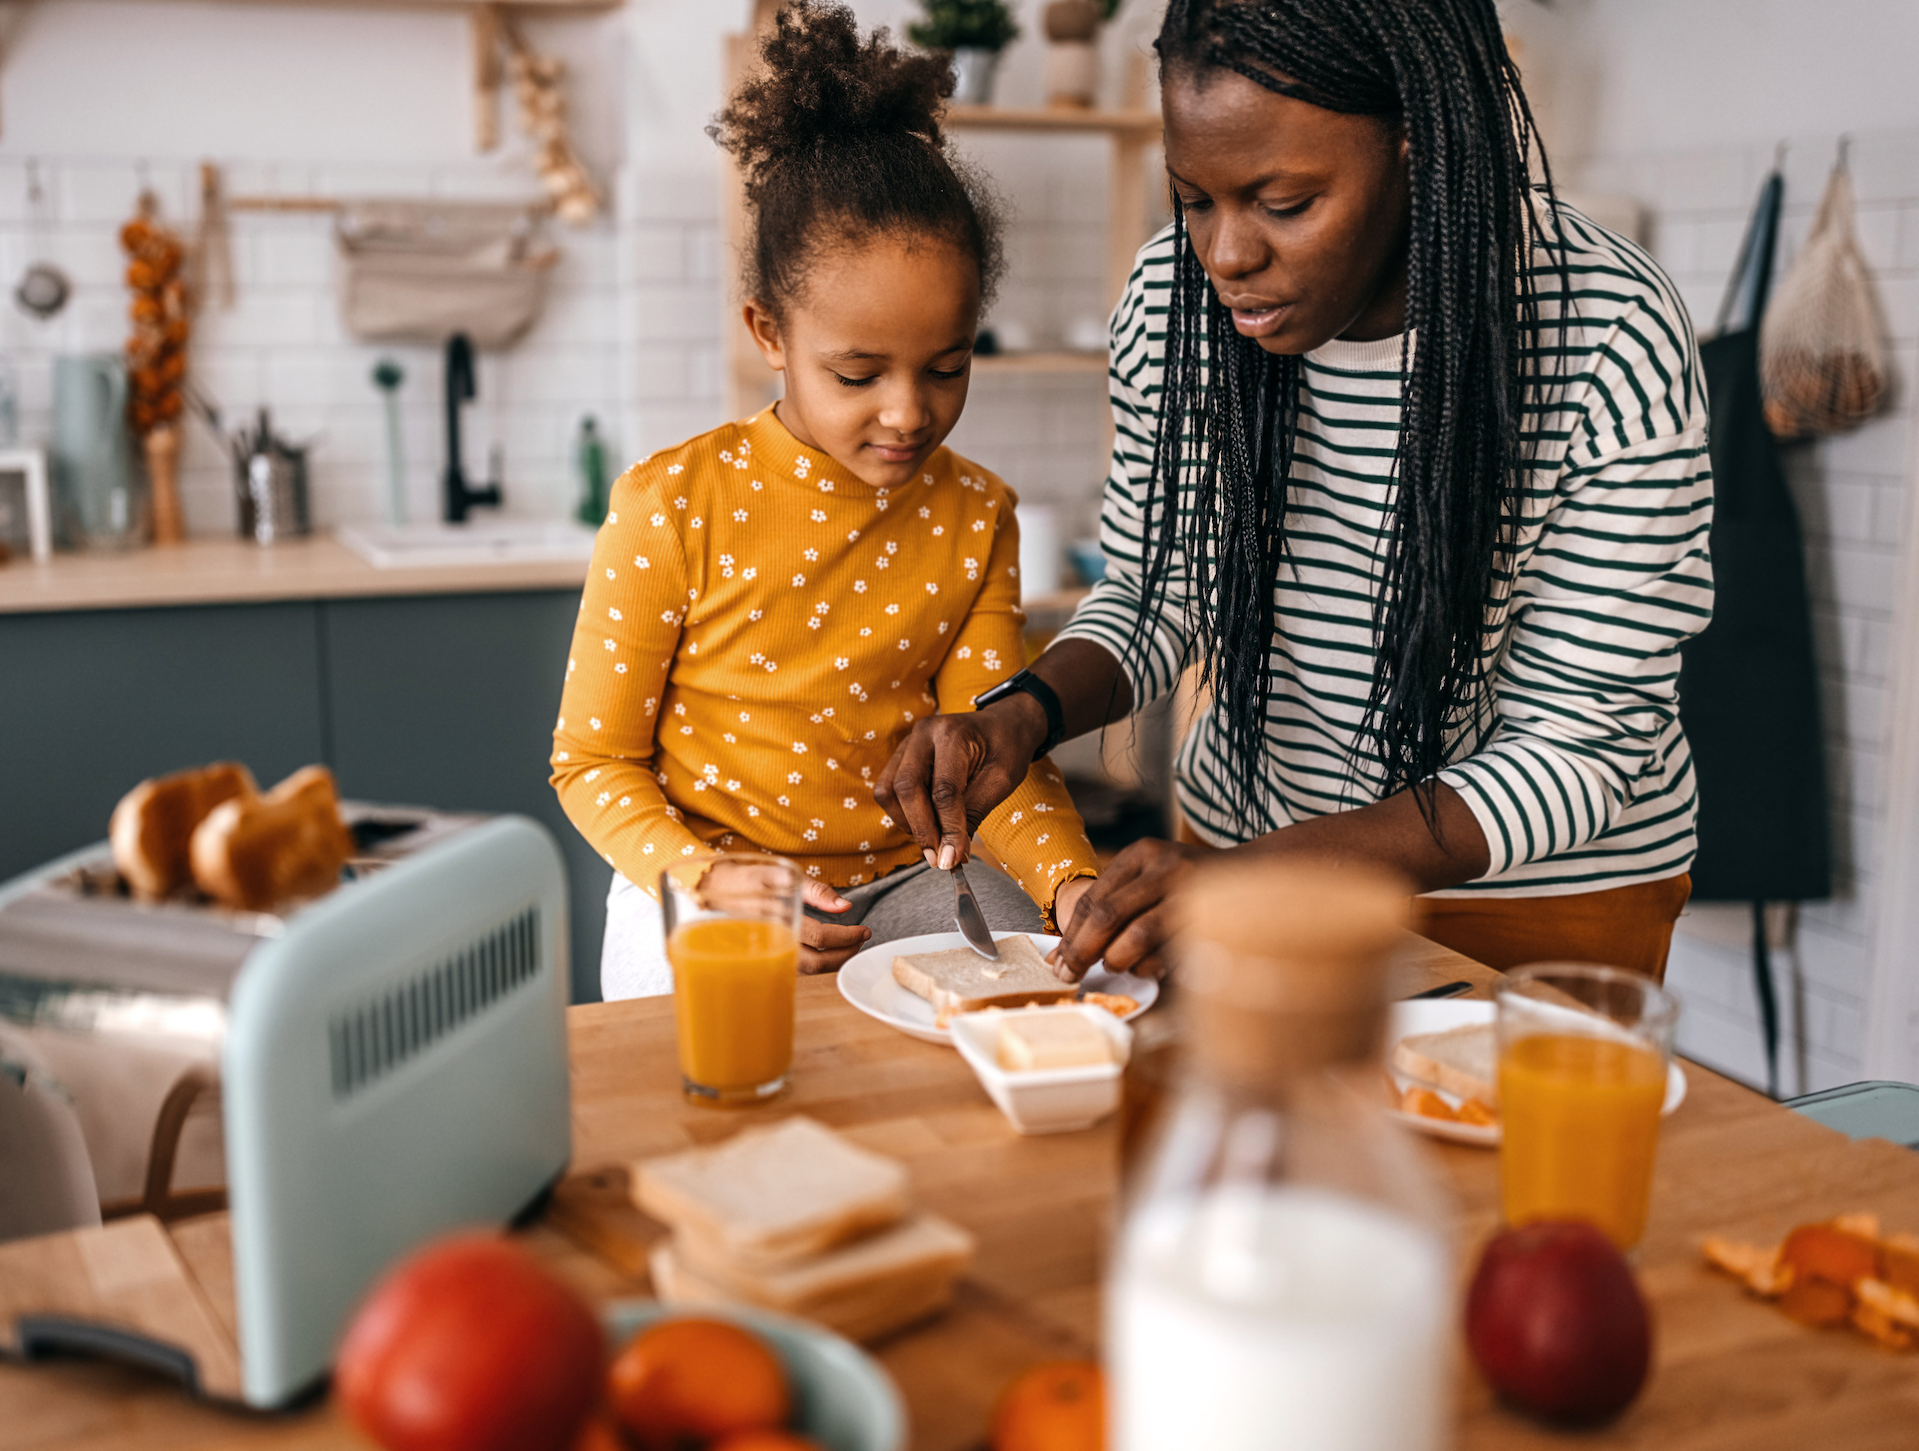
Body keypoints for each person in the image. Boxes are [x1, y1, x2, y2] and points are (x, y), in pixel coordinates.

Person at [878, 0, 1711, 983]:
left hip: (1532, 910)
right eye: (1193, 199)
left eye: (1283, 202)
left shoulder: (1605, 333)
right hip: (1242, 864)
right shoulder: (1173, 304)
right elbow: (1153, 590)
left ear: (1415, 148)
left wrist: (1249, 877)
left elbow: (1576, 747)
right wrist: (1018, 714)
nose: (1227, 254)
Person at [552, 2, 1099, 1001]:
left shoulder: (978, 513)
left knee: (1043, 993)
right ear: (770, 332)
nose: (908, 412)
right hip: (707, 878)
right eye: (857, 374)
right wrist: (709, 880)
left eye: (945, 365)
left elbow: (986, 757)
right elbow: (592, 763)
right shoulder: (668, 505)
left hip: (909, 876)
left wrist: (1073, 885)